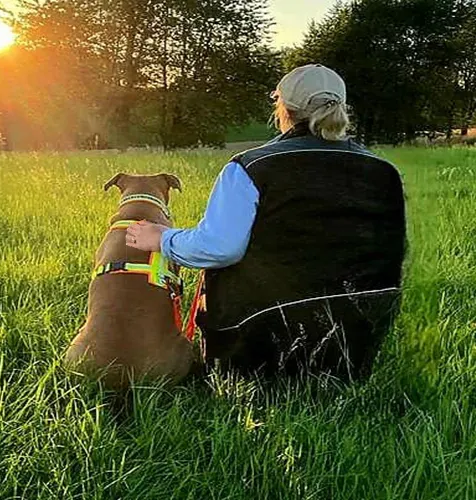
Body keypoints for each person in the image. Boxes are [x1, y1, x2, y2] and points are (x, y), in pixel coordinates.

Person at [126, 64, 407, 382]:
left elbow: (220, 248)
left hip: (264, 349)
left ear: (283, 109)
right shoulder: (384, 171)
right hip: (356, 343)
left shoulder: (249, 167)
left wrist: (163, 238)